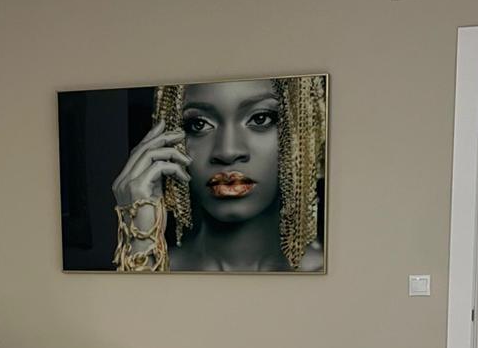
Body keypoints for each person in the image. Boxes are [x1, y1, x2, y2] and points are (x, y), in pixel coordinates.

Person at [111, 77, 326, 272]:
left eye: (260, 119)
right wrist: (140, 243)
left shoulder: (335, 277)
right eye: (199, 124)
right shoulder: (155, 269)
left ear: (307, 132)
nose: (227, 152)